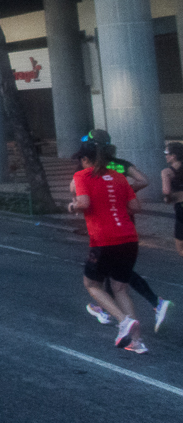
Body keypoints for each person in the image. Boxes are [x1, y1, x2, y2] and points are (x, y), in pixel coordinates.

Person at [74, 131, 170, 332]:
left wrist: (76, 204)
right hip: (125, 224)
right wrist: (123, 196)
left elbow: (75, 192)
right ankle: (125, 323)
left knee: (107, 276)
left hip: (103, 228)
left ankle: (137, 309)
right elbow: (143, 181)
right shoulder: (120, 166)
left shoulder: (86, 169)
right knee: (116, 275)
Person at [69, 135, 146, 353]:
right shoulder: (118, 177)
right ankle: (137, 342)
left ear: (85, 159)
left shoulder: (82, 175)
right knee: (120, 289)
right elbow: (136, 207)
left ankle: (123, 321)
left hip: (104, 239)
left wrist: (72, 207)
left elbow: (84, 203)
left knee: (92, 284)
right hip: (129, 238)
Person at [163, 141, 183, 259]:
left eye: (166, 153)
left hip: (181, 207)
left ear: (173, 156)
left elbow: (166, 192)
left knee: (180, 248)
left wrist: (167, 199)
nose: (165, 155)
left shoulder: (167, 172)